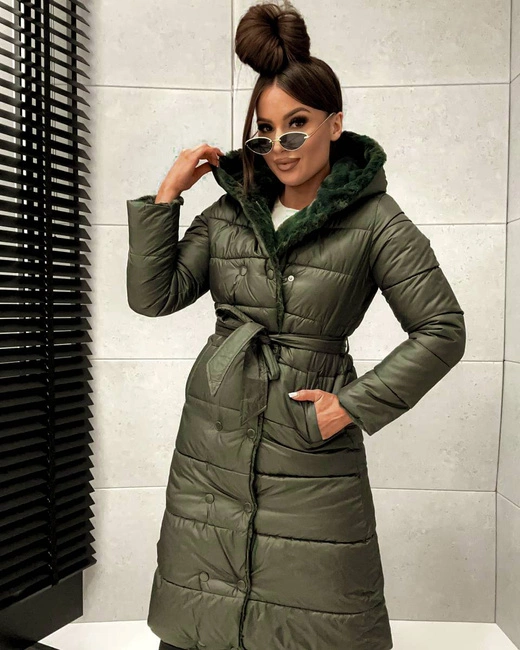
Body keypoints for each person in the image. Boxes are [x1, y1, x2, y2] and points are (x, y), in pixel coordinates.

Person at [126, 2, 466, 649]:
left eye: (297, 125)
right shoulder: (230, 213)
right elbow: (154, 297)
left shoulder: (375, 220)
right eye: (266, 130)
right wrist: (167, 196)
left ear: (335, 124)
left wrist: (350, 407)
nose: (280, 146)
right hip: (214, 436)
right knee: (204, 604)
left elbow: (442, 328)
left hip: (309, 442)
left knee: (319, 614)